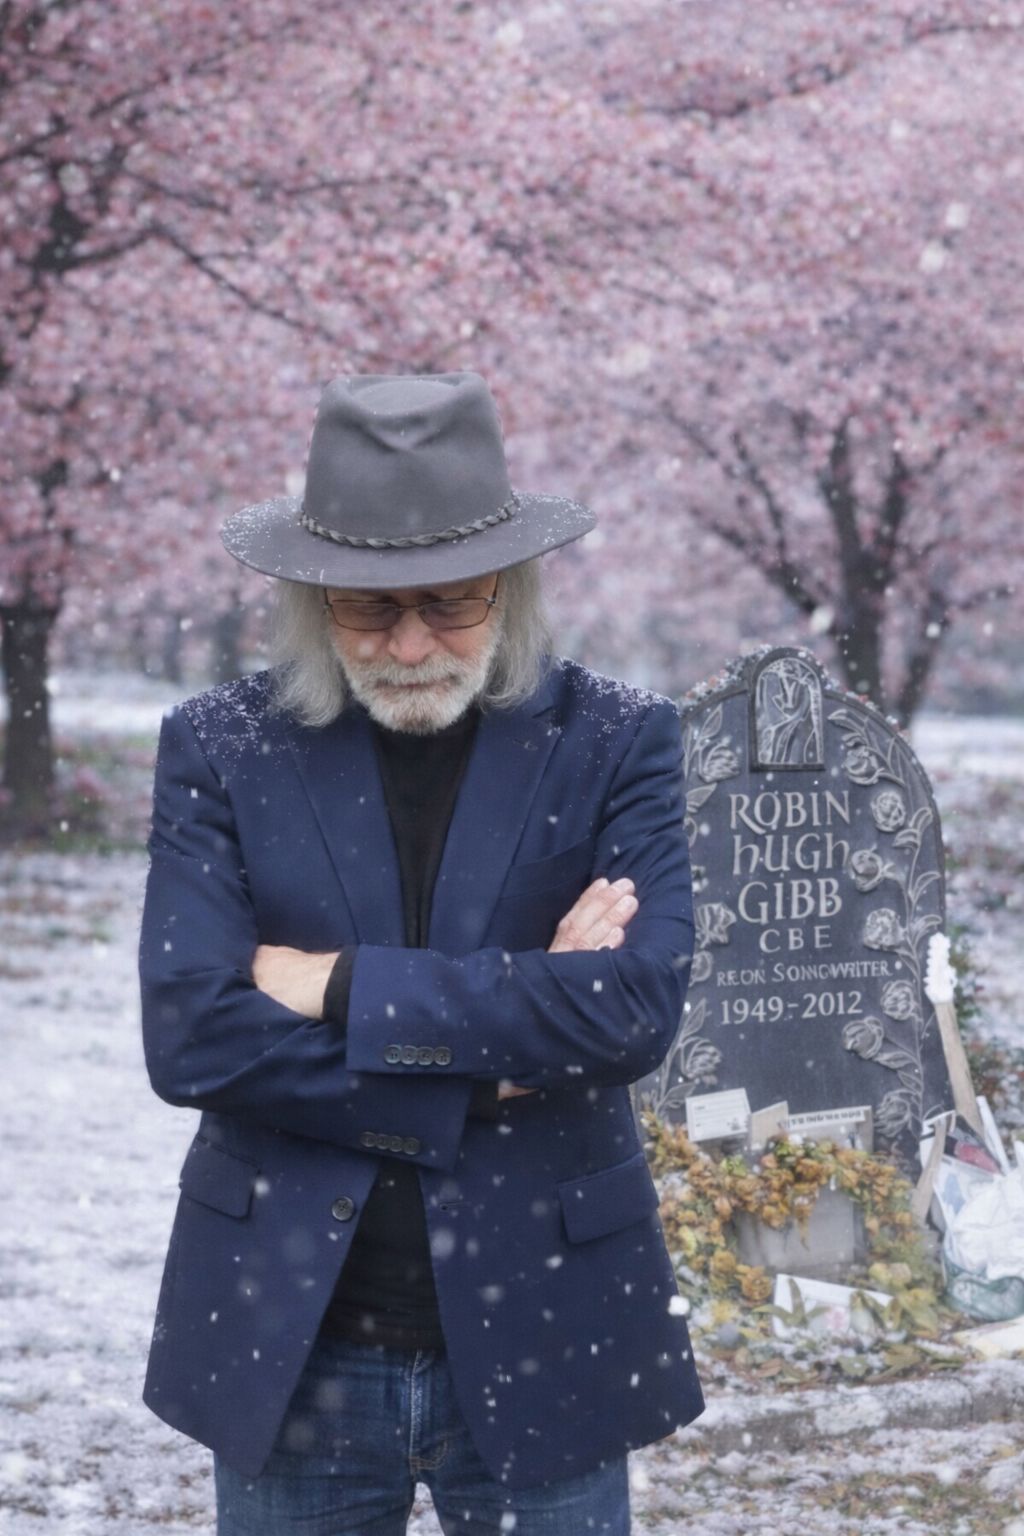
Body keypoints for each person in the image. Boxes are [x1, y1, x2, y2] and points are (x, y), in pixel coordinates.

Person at [139, 371, 703, 1535]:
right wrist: (494, 1049)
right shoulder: (219, 746)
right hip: (288, 1338)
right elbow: (191, 1034)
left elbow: (634, 1010)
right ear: (310, 598)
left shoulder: (616, 742)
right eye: (364, 608)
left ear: (512, 583)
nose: (407, 643)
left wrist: (337, 985)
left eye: (449, 603)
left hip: (551, 1323)